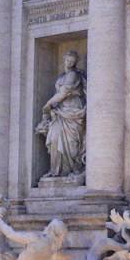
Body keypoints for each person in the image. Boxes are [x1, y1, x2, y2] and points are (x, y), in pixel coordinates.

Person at [35, 51, 86, 179]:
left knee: (71, 142)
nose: (69, 63)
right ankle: (55, 170)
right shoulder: (62, 76)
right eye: (67, 60)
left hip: (73, 110)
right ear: (64, 60)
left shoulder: (74, 75)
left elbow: (64, 93)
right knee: (54, 139)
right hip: (60, 111)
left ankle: (74, 168)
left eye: (72, 61)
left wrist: (48, 104)